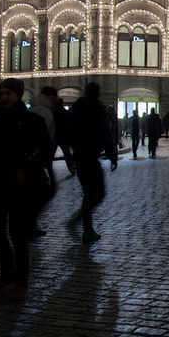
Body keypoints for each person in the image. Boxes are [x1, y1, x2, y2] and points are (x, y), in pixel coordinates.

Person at [0, 78, 53, 299]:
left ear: (18, 95)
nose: (4, 97)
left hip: (21, 185)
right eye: (2, 93)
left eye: (9, 94)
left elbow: (46, 150)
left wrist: (27, 170)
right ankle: (7, 272)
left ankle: (21, 280)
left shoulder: (32, 120)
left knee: (17, 233)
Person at [67, 82, 117, 245]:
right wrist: (112, 155)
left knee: (88, 193)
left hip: (80, 156)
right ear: (98, 93)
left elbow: (70, 131)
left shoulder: (76, 108)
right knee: (98, 193)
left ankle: (86, 228)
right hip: (90, 157)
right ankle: (82, 224)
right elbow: (105, 132)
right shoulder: (97, 108)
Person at [53, 98, 76, 176]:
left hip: (55, 136)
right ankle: (71, 167)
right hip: (63, 136)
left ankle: (47, 169)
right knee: (67, 153)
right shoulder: (66, 112)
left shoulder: (54, 112)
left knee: (50, 154)